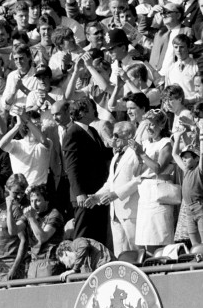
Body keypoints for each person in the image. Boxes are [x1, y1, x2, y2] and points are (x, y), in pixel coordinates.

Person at [85, 121, 141, 256]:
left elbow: (138, 180)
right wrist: (97, 196)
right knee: (120, 254)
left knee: (137, 252)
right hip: (115, 213)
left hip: (131, 212)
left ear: (128, 135)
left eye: (116, 135)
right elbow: (110, 183)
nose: (113, 139)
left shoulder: (136, 154)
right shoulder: (116, 156)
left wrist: (116, 194)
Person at [62, 98, 112, 247]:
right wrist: (79, 193)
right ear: (83, 112)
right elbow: (72, 166)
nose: (95, 111)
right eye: (91, 108)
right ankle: (80, 268)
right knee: (83, 235)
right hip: (84, 195)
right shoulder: (72, 133)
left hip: (97, 193)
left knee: (98, 235)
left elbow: (103, 155)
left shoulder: (92, 130)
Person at [129, 110, 175, 253]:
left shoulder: (166, 143)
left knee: (159, 236)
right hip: (145, 194)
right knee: (145, 238)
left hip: (159, 193)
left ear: (161, 125)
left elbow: (158, 168)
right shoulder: (145, 144)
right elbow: (136, 172)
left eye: (152, 125)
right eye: (146, 124)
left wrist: (141, 153)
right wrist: (137, 155)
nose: (148, 128)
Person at [172, 130, 203, 246]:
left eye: (187, 157)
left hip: (199, 207)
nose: (183, 159)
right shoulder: (186, 170)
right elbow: (174, 154)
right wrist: (178, 137)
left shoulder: (199, 171)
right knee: (194, 242)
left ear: (196, 159)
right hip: (189, 209)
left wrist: (202, 133)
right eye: (183, 157)